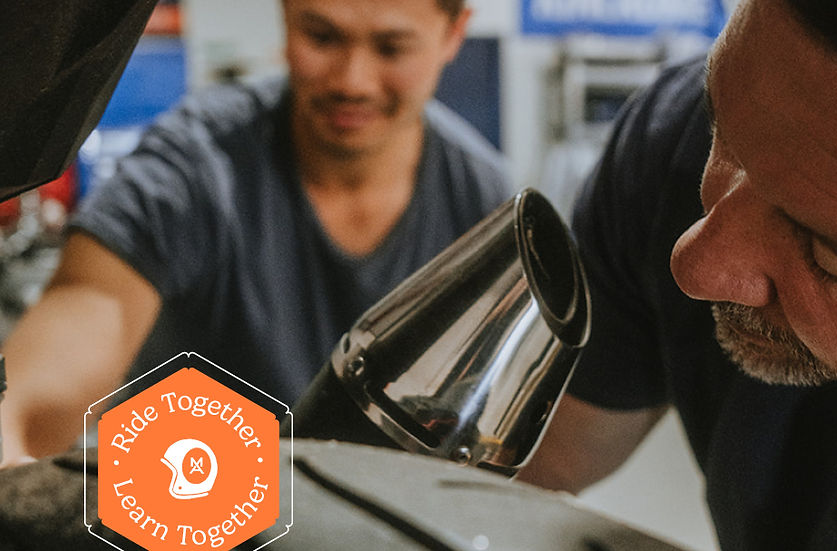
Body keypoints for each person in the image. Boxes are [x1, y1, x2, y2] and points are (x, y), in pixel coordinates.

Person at [519, 0, 837, 549]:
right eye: (724, 138)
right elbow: (519, 461)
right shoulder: (680, 137)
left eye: (828, 256)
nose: (694, 264)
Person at [0, 0, 510, 464]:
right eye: (323, 37)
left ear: (453, 33)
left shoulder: (483, 206)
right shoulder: (196, 167)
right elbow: (52, 371)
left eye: (391, 47)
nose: (353, 80)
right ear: (286, 16)